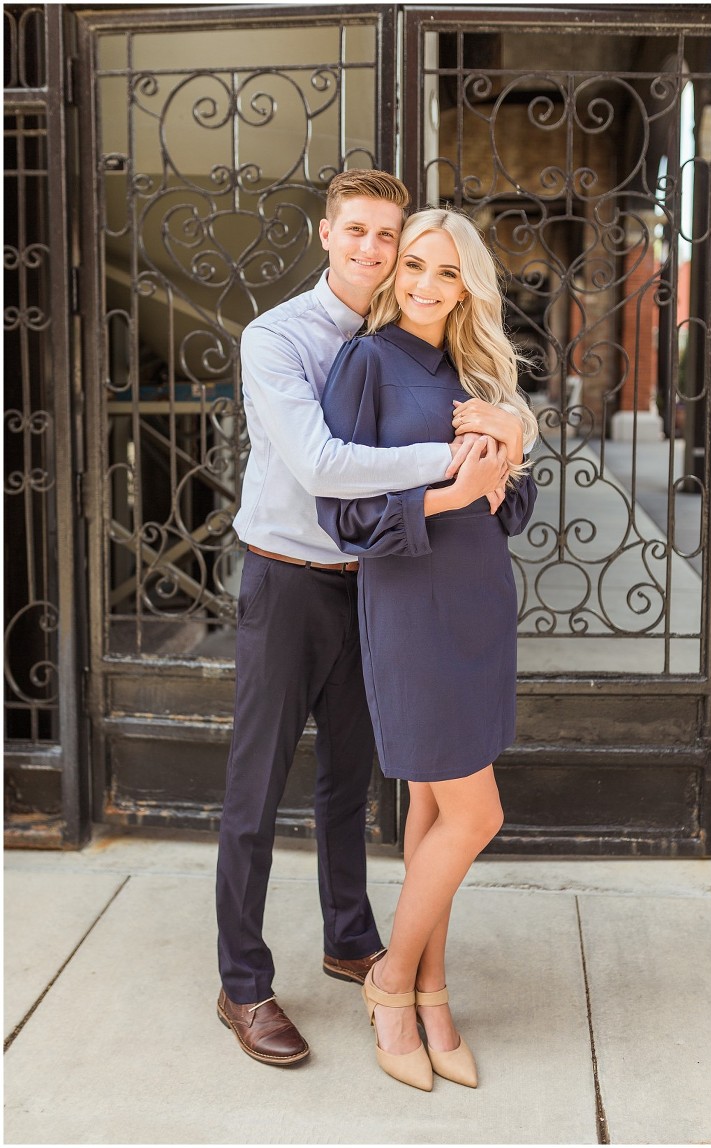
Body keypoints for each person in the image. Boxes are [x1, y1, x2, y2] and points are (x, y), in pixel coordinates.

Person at [215, 171, 501, 1069]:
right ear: (328, 236)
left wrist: (501, 443)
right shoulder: (280, 338)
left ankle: (351, 939)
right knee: (255, 789)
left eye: (390, 237)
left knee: (350, 780)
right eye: (360, 233)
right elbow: (323, 462)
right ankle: (243, 983)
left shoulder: (402, 334)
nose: (374, 252)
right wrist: (462, 460)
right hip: (290, 577)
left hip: (374, 583)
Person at [316, 207, 539, 1091]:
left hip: (479, 599)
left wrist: (514, 446)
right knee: (477, 814)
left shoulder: (478, 366)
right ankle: (390, 979)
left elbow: (512, 511)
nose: (423, 285)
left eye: (446, 272)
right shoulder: (365, 363)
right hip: (409, 604)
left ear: (468, 283)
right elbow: (343, 517)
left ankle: (433, 993)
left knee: (435, 813)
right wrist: (450, 493)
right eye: (413, 265)